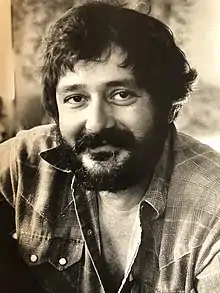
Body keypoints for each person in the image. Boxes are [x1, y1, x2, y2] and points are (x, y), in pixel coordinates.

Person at [1, 1, 220, 292]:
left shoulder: (213, 207)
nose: (96, 124)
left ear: (167, 105)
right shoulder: (24, 161)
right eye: (76, 98)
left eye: (121, 94)